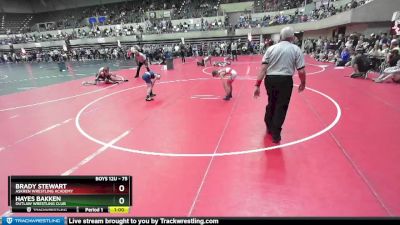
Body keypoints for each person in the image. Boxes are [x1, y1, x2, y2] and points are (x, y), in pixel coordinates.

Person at [254, 26, 306, 143]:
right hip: (285, 80)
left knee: (271, 102)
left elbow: (263, 68)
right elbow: (301, 71)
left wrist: (257, 85)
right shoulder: (295, 49)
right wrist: (303, 83)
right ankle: (276, 133)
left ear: (281, 36)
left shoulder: (271, 49)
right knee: (281, 106)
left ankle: (269, 125)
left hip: (270, 79)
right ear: (292, 37)